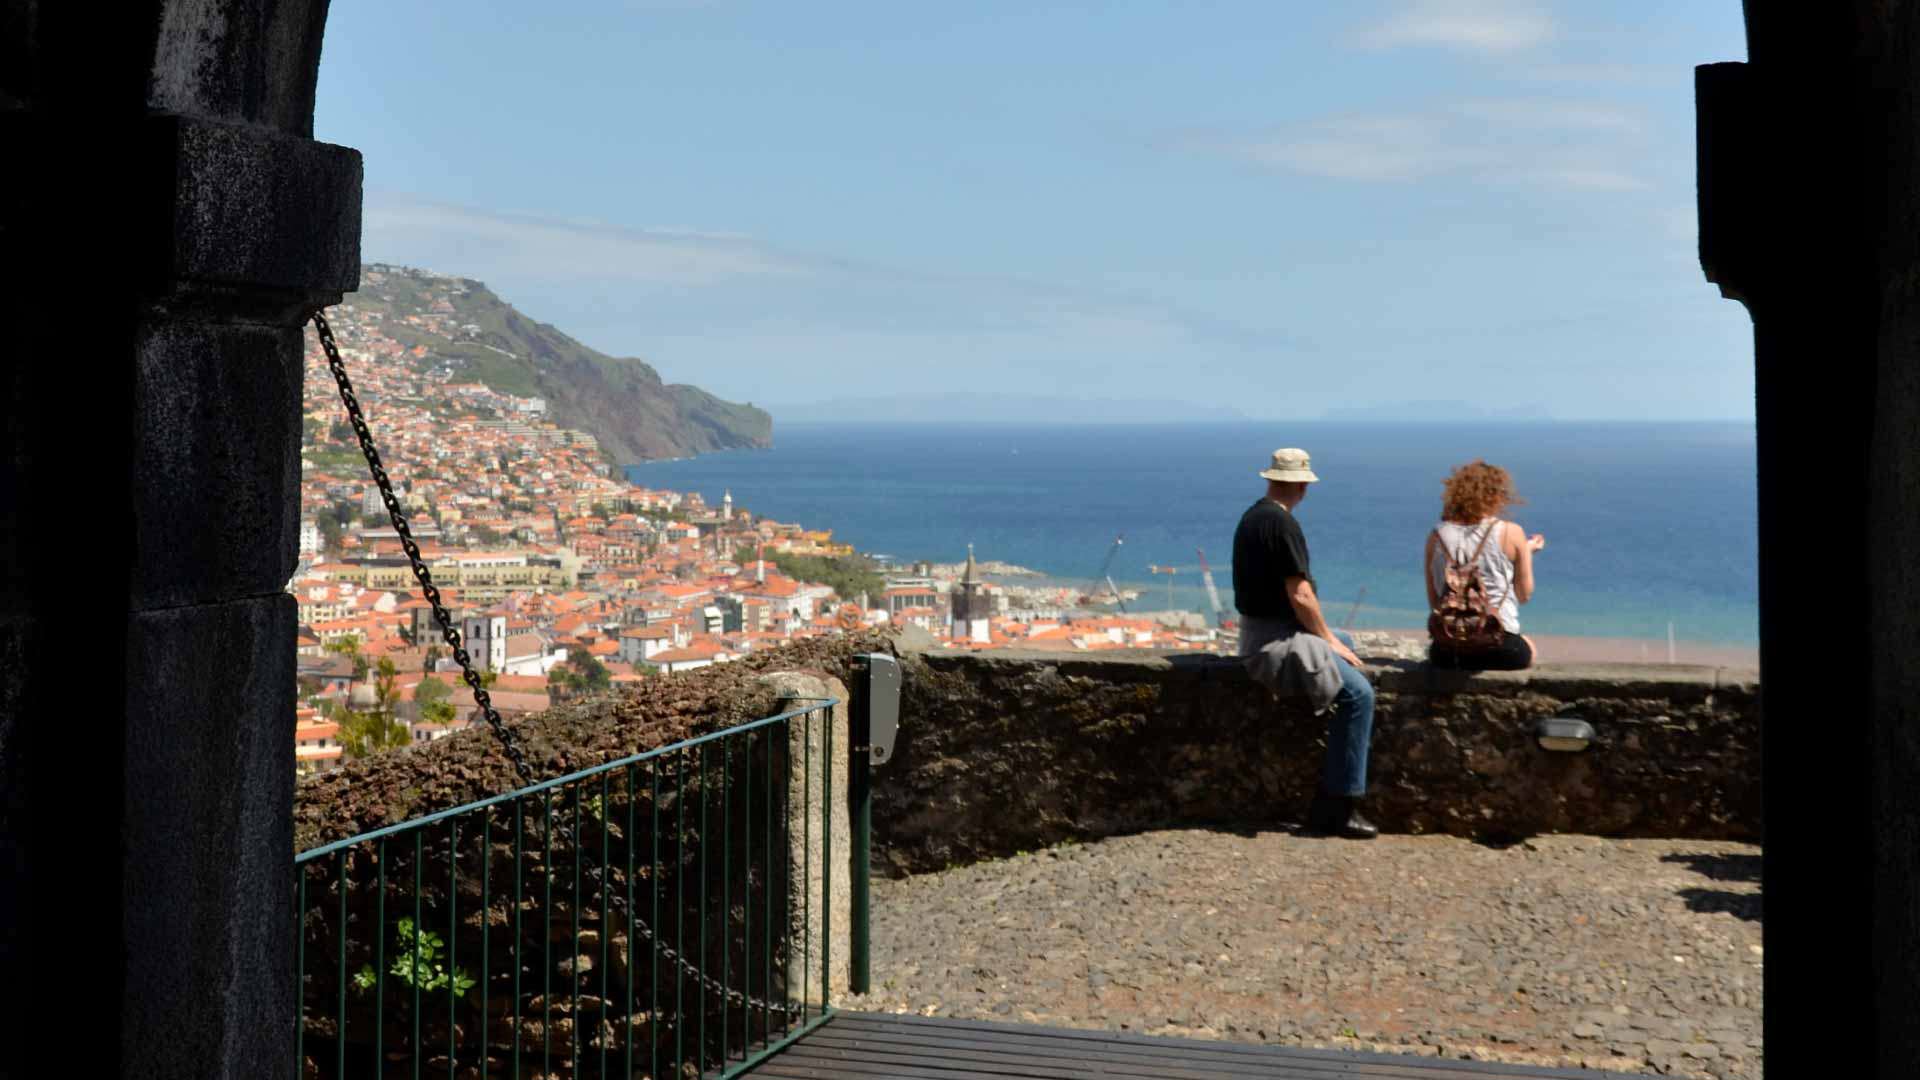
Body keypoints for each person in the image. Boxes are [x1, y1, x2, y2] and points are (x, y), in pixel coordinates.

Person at [1233, 447, 1378, 840]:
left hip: (1258, 633)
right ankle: (1338, 807)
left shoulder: (1254, 516)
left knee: (1346, 646)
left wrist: (1333, 641)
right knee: (1360, 695)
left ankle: (1333, 799)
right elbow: (1300, 597)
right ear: (1302, 486)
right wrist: (1327, 639)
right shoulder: (1282, 525)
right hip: (1274, 641)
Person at [1424, 459, 1544, 670]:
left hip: (1447, 651)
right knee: (1529, 648)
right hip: (1499, 646)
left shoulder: (1436, 536)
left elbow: (1434, 602)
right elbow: (1524, 595)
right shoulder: (1511, 532)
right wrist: (1526, 552)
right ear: (1495, 496)